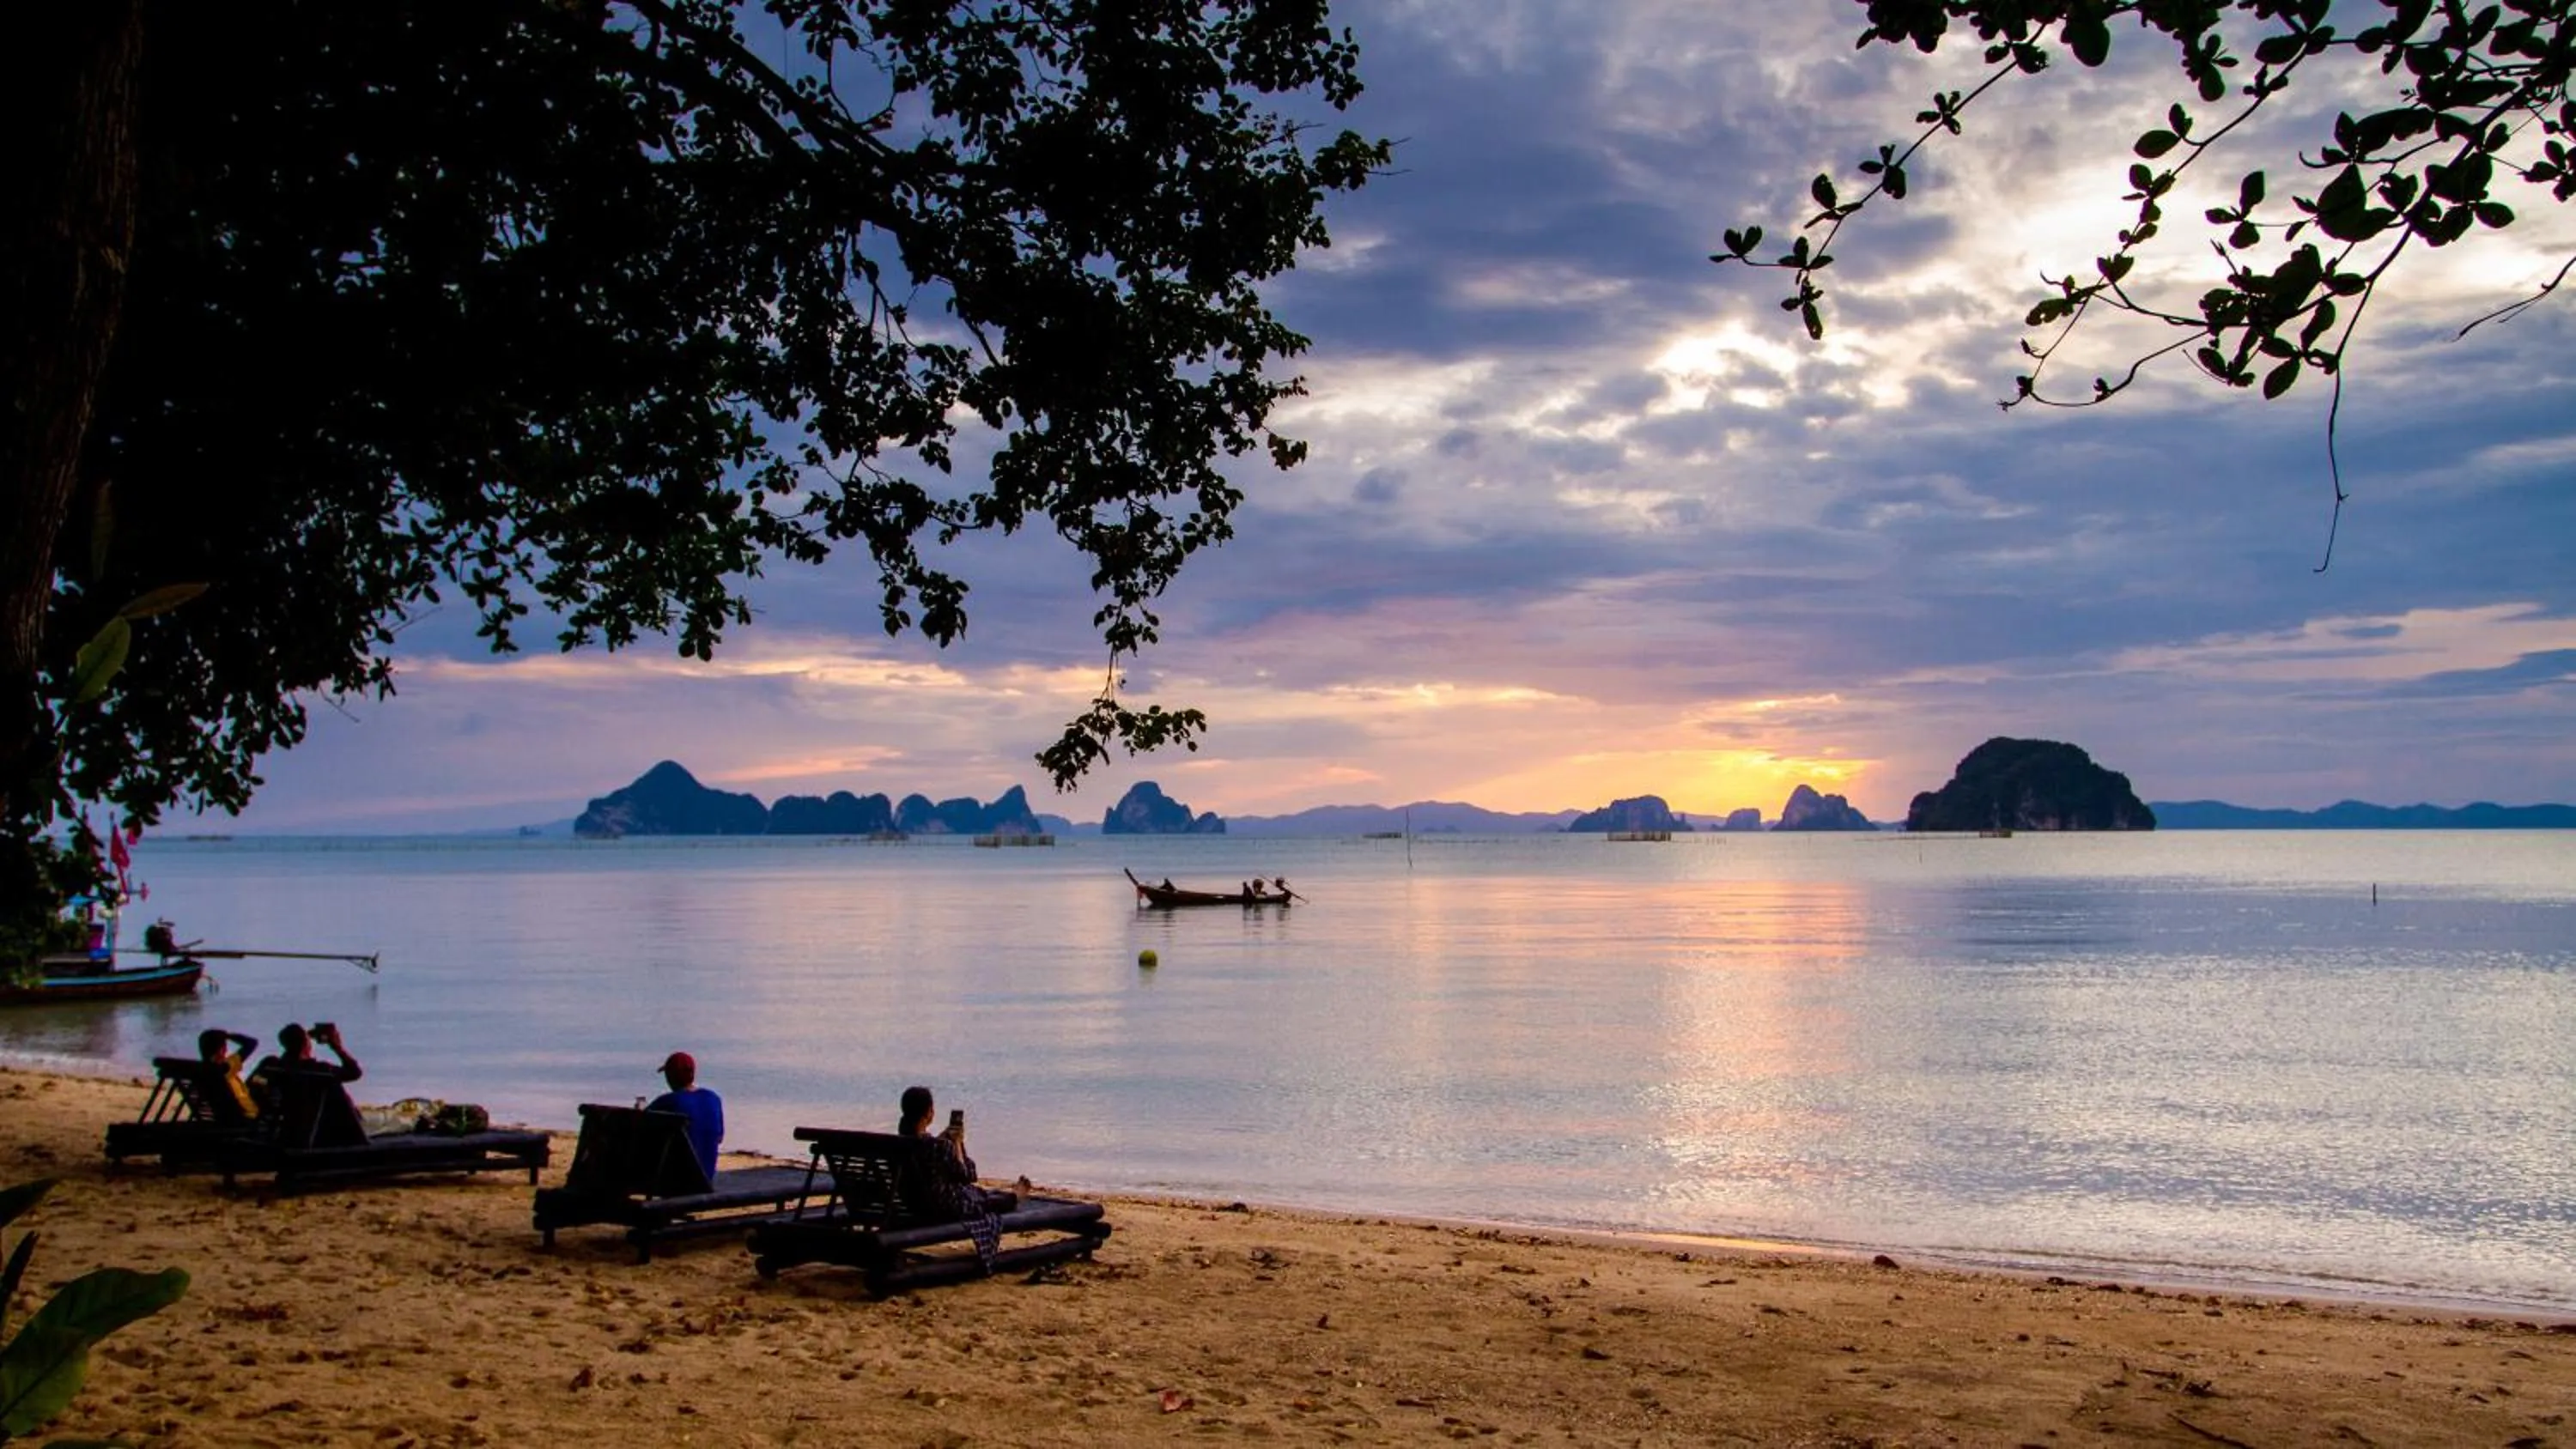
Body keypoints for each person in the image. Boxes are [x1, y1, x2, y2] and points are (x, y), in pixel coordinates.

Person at [248, 1022, 365, 1144]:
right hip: (322, 1128)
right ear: (306, 1043)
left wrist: (270, 1089)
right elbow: (354, 1072)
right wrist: (337, 1047)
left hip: (289, 1125)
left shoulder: (272, 1066)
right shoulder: (320, 1070)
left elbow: (254, 1082)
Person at [646, 1051, 724, 1182]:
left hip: (676, 1180)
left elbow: (639, 1130)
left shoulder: (667, 1101)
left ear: (670, 1076)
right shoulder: (713, 1098)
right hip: (706, 1179)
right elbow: (719, 1138)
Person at [197, 1028, 260, 1119]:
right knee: (270, 1062)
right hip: (244, 1117)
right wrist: (228, 1036)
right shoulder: (226, 1067)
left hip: (222, 1117)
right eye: (224, 1047)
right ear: (220, 1050)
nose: (226, 1050)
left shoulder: (199, 1070)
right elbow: (251, 1043)